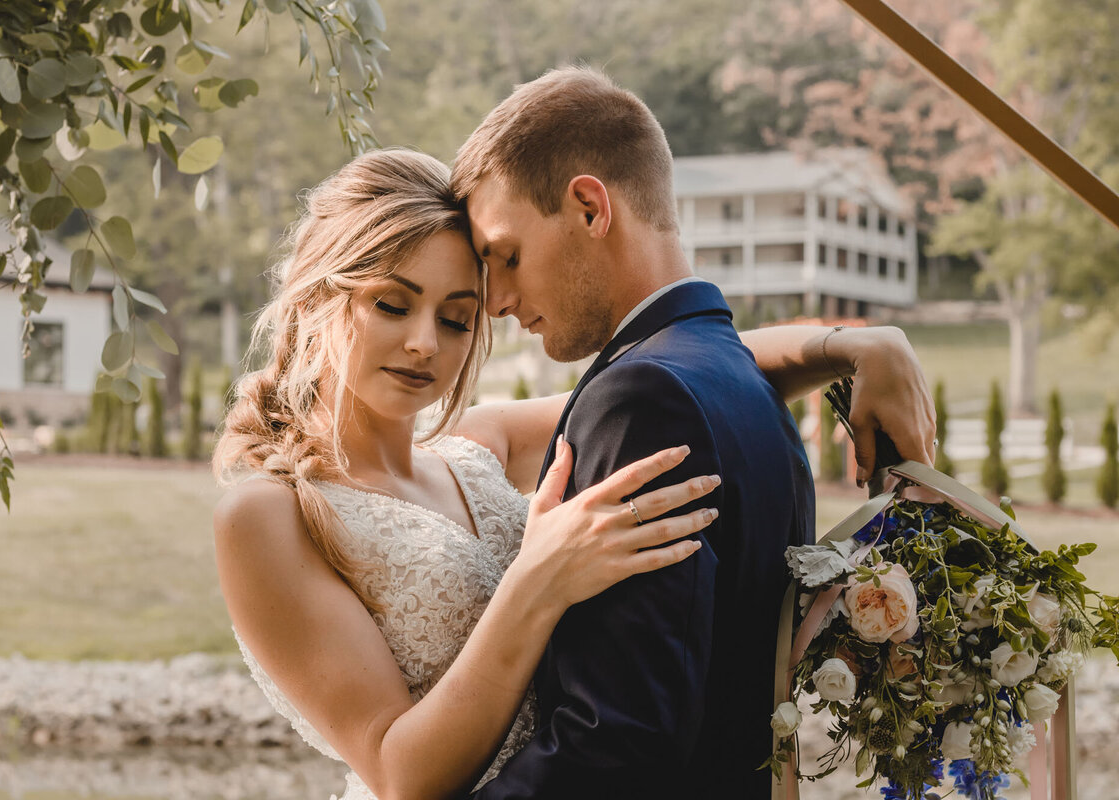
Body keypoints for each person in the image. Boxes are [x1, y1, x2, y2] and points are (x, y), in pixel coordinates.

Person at [212, 147, 934, 799]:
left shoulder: (477, 443)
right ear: (317, 299)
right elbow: (400, 773)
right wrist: (536, 583)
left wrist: (858, 346)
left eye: (458, 318)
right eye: (393, 305)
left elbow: (687, 374)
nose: (424, 344)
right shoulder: (269, 515)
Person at [448, 66, 934, 799]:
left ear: (588, 207)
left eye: (507, 257)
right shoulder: (741, 383)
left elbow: (615, 743)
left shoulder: (639, 401)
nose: (500, 301)